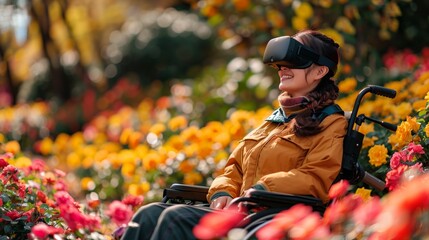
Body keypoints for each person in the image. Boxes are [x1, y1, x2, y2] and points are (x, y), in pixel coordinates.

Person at [120, 29, 347, 240]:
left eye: (294, 62)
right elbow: (234, 169)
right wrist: (222, 191)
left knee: (175, 218)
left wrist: (261, 189)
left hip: (269, 216)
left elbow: (315, 177)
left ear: (320, 71)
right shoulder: (274, 121)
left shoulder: (330, 123)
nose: (282, 68)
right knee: (148, 214)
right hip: (240, 210)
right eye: (280, 63)